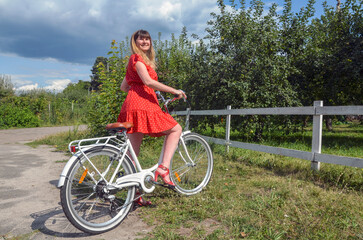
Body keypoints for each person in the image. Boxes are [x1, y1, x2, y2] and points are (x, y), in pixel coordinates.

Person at [117, 29, 186, 206]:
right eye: (141, 39)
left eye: (147, 39)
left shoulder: (134, 62)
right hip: (143, 105)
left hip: (132, 105)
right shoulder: (138, 59)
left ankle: (134, 195)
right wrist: (173, 90)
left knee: (133, 153)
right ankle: (163, 169)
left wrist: (138, 87)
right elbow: (148, 82)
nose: (145, 42)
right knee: (176, 128)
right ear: (135, 42)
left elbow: (124, 87)